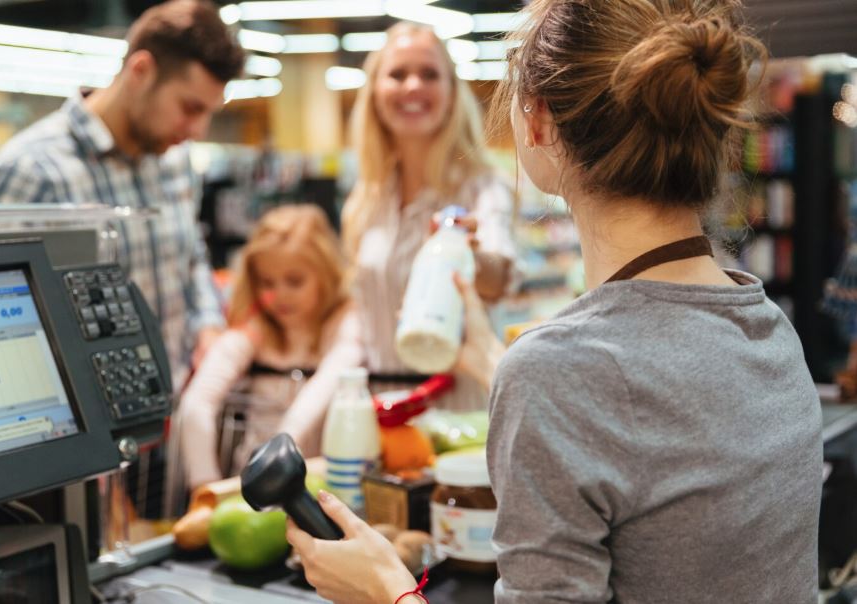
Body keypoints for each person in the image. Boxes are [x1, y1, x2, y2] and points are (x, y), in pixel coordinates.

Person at [287, 1, 822, 603]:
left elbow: (596, 400)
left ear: (537, 122)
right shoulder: (769, 329)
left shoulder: (561, 371)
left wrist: (386, 589)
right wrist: (497, 360)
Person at [0, 0, 245, 388]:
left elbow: (191, 258)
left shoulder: (175, 159)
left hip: (179, 408)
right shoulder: (32, 171)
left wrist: (207, 326)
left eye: (209, 112)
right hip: (91, 428)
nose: (199, 130)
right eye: (190, 107)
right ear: (141, 71)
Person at [341, 21, 519, 411]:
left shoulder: (482, 187)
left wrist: (468, 256)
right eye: (397, 74)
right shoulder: (365, 201)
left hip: (460, 408)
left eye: (429, 74)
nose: (412, 87)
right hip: (381, 410)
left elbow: (500, 276)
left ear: (453, 93)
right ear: (374, 92)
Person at [177, 204, 360, 492]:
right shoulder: (255, 329)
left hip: (325, 485)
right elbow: (196, 403)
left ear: (325, 273)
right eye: (266, 282)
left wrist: (283, 447)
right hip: (253, 487)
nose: (280, 295)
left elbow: (334, 375)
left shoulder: (346, 322)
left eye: (295, 281)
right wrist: (205, 485)